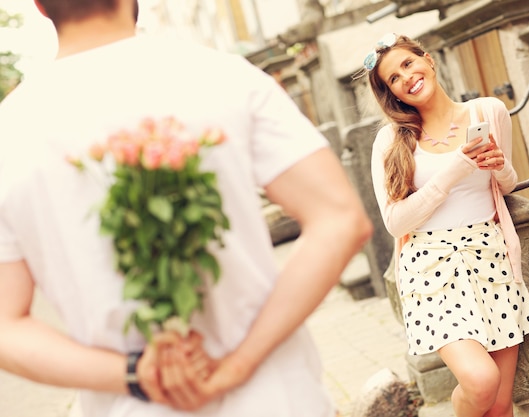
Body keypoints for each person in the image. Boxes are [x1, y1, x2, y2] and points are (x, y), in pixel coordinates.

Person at [0, 1, 373, 416]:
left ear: (39, 5)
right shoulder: (221, 76)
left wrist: (137, 375)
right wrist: (239, 363)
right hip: (272, 396)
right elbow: (340, 220)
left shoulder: (9, 132)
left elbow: (5, 328)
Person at [362, 33, 529, 417]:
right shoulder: (391, 141)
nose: (406, 77)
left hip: (490, 257)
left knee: (499, 406)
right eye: (393, 78)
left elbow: (507, 183)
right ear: (391, 93)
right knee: (480, 382)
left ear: (428, 59)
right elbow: (395, 222)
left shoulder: (488, 111)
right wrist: (456, 168)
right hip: (431, 268)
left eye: (408, 64)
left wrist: (499, 165)